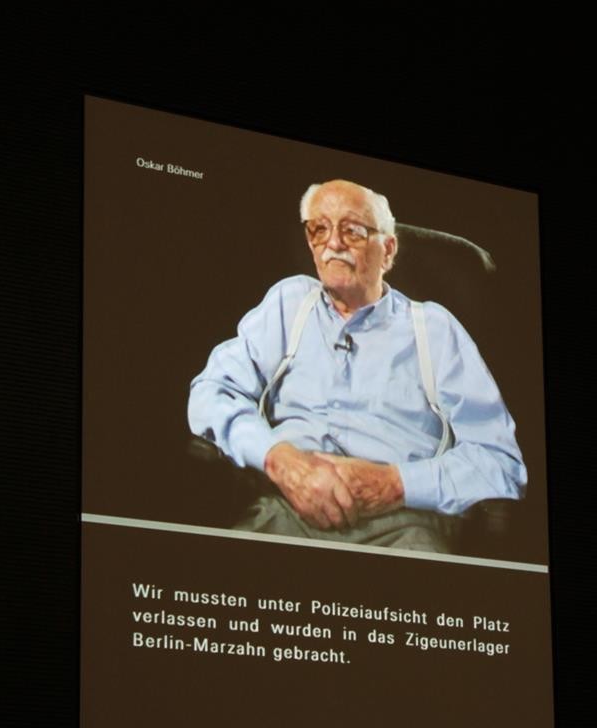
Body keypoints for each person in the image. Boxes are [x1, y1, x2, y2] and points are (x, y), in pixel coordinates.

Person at [188, 180, 526, 553]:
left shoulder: (435, 329)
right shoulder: (289, 302)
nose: (333, 244)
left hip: (404, 524)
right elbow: (212, 392)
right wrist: (278, 459)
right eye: (319, 229)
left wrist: (396, 484)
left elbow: (499, 462)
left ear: (389, 250)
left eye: (352, 231)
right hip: (285, 509)